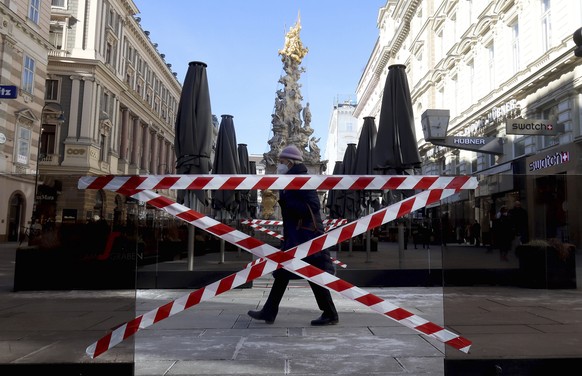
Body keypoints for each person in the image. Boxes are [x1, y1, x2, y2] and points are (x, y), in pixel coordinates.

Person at [248, 145, 339, 326]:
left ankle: (330, 313)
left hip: (305, 236)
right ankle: (269, 311)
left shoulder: (301, 180)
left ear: (289, 162)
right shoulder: (290, 179)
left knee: (311, 274)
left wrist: (284, 202)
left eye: (281, 162)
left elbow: (312, 208)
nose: (279, 165)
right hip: (298, 236)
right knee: (284, 273)